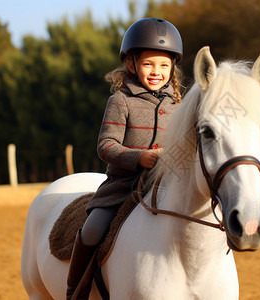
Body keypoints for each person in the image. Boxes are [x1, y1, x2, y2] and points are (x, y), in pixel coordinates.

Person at [66, 18, 183, 300]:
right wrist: (139, 157)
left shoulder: (179, 103)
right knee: (92, 231)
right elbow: (106, 146)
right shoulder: (120, 100)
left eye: (164, 66)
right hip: (122, 186)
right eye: (148, 64)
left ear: (172, 68)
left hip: (169, 185)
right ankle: (75, 291)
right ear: (131, 64)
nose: (157, 72)